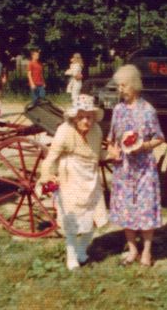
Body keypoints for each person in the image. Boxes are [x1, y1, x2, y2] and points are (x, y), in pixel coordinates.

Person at [37, 94, 108, 270]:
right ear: (74, 117)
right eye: (82, 117)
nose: (86, 121)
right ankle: (71, 257)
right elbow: (50, 158)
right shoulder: (64, 131)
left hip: (91, 178)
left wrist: (111, 155)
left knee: (92, 218)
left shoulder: (96, 131)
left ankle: (82, 250)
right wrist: (46, 175)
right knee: (72, 221)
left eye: (89, 117)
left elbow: (97, 155)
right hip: (70, 178)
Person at [106, 64, 164, 267]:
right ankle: (132, 250)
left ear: (134, 86)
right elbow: (111, 139)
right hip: (124, 168)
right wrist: (112, 150)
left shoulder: (148, 111)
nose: (120, 89)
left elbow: (159, 138)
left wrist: (144, 146)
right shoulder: (118, 110)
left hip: (144, 168)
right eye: (118, 86)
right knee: (126, 209)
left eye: (124, 85)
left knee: (145, 208)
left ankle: (147, 252)